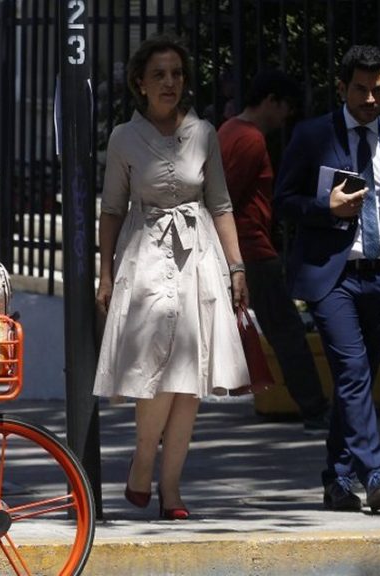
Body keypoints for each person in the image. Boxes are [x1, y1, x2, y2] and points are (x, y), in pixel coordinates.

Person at [93, 34, 249, 521]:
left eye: (177, 74)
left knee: (189, 376)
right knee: (155, 372)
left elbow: (220, 204)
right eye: (158, 74)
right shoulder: (124, 137)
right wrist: (104, 272)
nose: (169, 82)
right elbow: (112, 209)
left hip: (198, 256)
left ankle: (172, 486)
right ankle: (143, 461)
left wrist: (236, 266)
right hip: (145, 254)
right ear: (140, 83)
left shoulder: (204, 133)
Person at [273, 45, 380, 512]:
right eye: (360, 89)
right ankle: (374, 472)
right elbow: (283, 202)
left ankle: (336, 480)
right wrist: (327, 208)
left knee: (353, 381)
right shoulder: (313, 135)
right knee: (354, 372)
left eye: (379, 90)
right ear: (342, 88)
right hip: (332, 277)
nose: (369, 99)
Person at [217, 69, 331, 434]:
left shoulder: (228, 130)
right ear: (271, 101)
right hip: (250, 249)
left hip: (236, 248)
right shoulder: (250, 139)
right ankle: (315, 409)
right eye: (286, 107)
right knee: (286, 330)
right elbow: (225, 197)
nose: (287, 117)